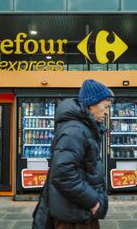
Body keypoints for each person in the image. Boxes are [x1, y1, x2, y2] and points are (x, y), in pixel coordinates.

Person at [34, 79, 113, 229]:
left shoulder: (82, 127)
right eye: (106, 107)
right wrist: (92, 201)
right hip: (74, 215)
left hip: (76, 210)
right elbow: (63, 173)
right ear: (92, 104)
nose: (107, 112)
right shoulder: (75, 130)